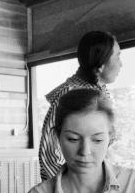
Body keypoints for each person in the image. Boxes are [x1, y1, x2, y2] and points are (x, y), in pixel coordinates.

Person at [39, 30, 122, 181]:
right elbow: (49, 155)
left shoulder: (101, 94)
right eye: (117, 57)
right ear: (102, 64)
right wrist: (66, 191)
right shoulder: (68, 94)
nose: (120, 64)